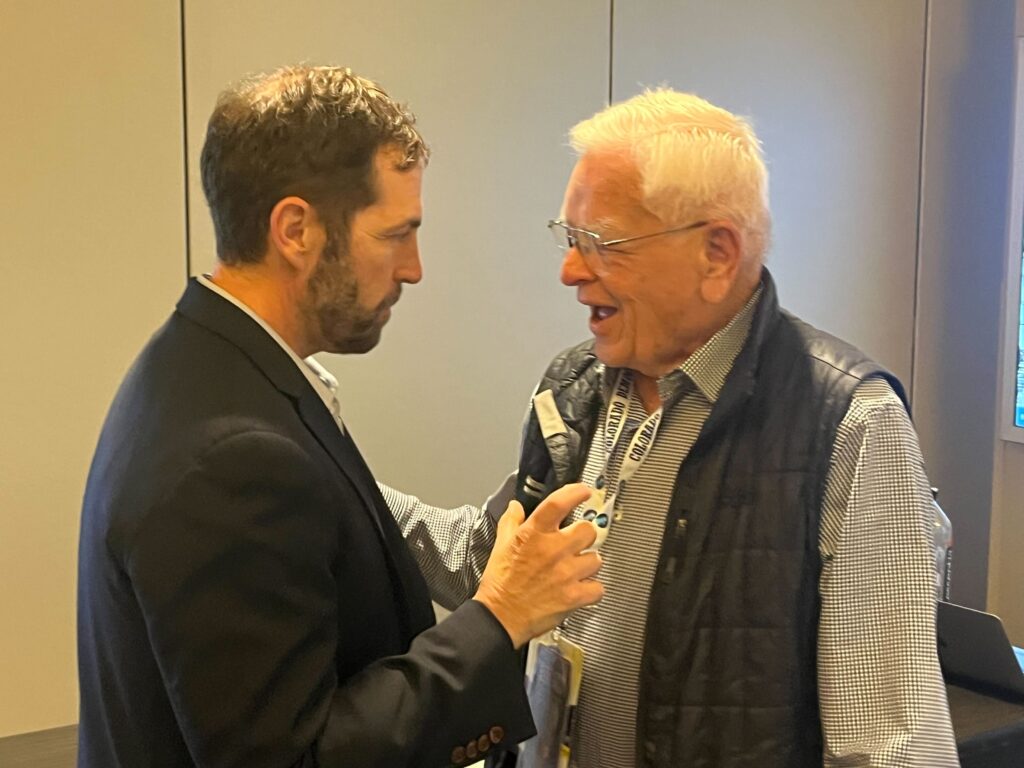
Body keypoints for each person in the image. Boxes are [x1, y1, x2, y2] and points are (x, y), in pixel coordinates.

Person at [382, 89, 960, 767]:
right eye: (569, 239)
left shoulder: (850, 425)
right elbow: (495, 560)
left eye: (600, 244)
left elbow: (891, 747)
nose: (569, 271)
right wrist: (336, 477)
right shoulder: (575, 388)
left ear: (717, 253)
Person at [76, 65, 604, 768]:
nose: (413, 268)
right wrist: (499, 618)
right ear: (296, 229)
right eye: (395, 234)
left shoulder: (201, 367)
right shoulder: (232, 456)